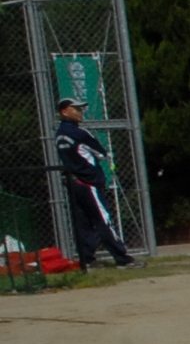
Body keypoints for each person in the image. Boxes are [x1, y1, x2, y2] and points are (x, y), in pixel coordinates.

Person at [49, 98, 135, 269]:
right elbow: (101, 154)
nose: (80, 113)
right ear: (64, 112)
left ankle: (87, 259)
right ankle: (122, 258)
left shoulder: (59, 134)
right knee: (103, 219)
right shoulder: (80, 133)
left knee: (84, 223)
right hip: (88, 182)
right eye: (76, 109)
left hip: (74, 183)